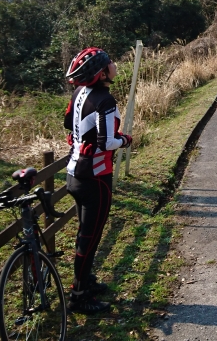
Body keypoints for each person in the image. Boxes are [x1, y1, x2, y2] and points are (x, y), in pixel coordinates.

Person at [63, 47, 133, 314]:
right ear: (102, 74)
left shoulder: (79, 92)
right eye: (110, 63)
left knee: (85, 234)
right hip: (96, 179)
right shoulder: (105, 100)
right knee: (89, 238)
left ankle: (87, 281)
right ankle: (79, 295)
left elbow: (69, 125)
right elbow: (108, 142)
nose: (114, 65)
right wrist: (127, 140)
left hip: (74, 174)